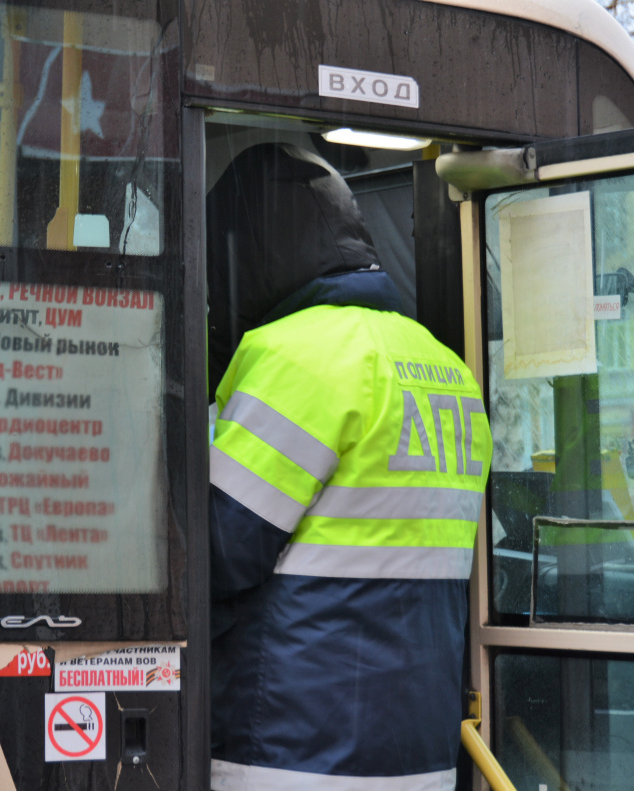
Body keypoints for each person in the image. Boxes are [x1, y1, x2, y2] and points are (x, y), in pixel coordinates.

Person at [207, 143, 492, 791]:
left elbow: (217, 549)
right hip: (420, 755)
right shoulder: (445, 367)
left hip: (289, 749)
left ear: (252, 251)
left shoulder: (296, 357)